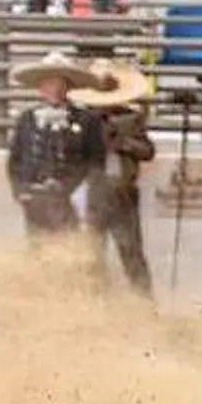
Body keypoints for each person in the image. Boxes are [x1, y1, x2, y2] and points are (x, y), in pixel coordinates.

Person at [71, 59, 156, 296]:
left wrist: (122, 143)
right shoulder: (83, 120)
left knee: (131, 252)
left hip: (122, 192)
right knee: (93, 254)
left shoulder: (131, 119)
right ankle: (99, 306)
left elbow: (147, 151)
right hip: (95, 191)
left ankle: (144, 304)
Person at [6, 52, 108, 242]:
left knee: (71, 248)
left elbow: (96, 162)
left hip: (71, 198)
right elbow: (16, 159)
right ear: (40, 87)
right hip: (35, 198)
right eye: (49, 83)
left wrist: (80, 193)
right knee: (37, 250)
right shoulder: (27, 119)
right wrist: (21, 191)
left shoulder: (87, 120)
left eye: (59, 83)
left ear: (68, 86)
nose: (54, 89)